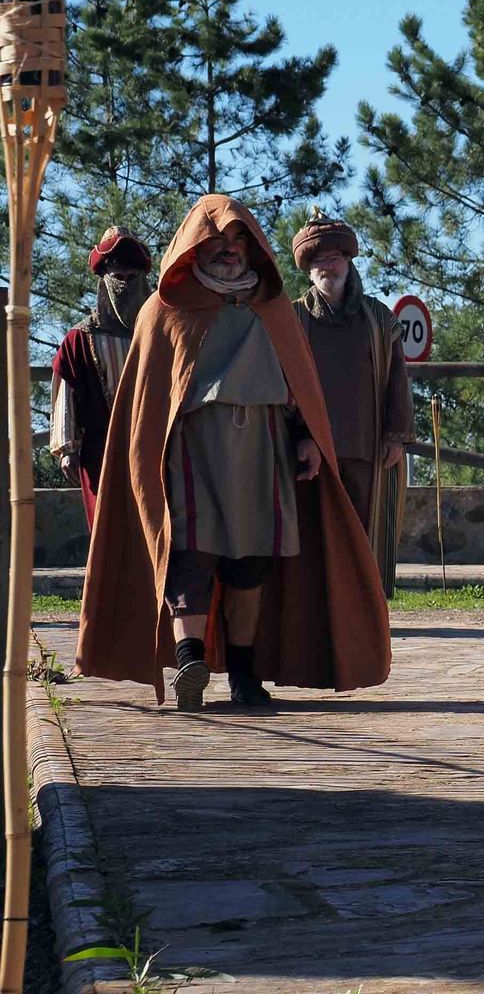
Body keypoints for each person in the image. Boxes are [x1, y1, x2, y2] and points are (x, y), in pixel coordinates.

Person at [76, 194, 391, 711]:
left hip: (263, 448)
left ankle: (245, 675)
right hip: (190, 451)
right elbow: (147, 401)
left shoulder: (272, 308)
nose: (228, 251)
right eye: (216, 242)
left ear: (254, 248)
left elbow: (299, 388)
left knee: (252, 564)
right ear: (194, 246)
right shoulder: (165, 309)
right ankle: (189, 661)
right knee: (189, 558)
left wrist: (307, 437)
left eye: (238, 241)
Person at [291, 209, 414, 597]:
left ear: (348, 261)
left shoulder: (378, 318)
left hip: (367, 449)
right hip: (311, 453)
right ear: (309, 269)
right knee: (314, 543)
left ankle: (366, 615)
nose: (328, 265)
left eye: (335, 257)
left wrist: (396, 435)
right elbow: (282, 387)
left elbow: (398, 378)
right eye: (319, 260)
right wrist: (298, 438)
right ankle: (317, 618)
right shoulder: (292, 319)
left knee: (363, 540)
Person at [50, 226, 153, 526]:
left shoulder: (160, 333)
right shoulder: (80, 339)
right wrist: (68, 449)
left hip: (154, 448)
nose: (124, 284)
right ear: (105, 280)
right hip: (101, 453)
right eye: (118, 277)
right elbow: (65, 394)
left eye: (132, 278)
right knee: (108, 530)